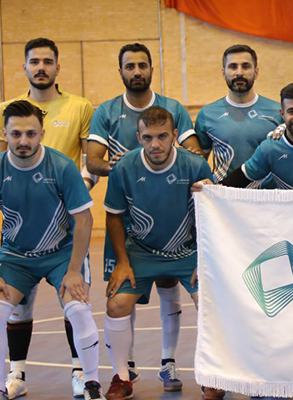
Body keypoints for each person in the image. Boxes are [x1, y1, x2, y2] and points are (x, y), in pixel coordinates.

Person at [86, 42, 201, 390]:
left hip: (178, 231)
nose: (136, 71)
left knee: (178, 291)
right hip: (135, 228)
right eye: (130, 66)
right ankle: (125, 371)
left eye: (142, 65)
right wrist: (122, 168)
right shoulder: (107, 113)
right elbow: (93, 161)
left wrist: (191, 167)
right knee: (121, 298)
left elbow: (193, 153)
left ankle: (174, 365)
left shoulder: (174, 109)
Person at [0, 100, 102, 400]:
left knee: (79, 309)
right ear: (5, 135)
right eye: (16, 134)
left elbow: (84, 220)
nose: (23, 141)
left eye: (30, 134)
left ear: (42, 134)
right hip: (17, 257)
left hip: (62, 254)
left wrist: (73, 271)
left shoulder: (62, 167)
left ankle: (92, 385)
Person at [0, 38, 95, 398]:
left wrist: (73, 191)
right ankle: (16, 375)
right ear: (25, 67)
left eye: (48, 61)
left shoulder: (80, 107)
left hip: (66, 226)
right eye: (34, 61)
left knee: (73, 299)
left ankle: (80, 374)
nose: (41, 67)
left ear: (57, 67)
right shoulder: (7, 110)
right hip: (21, 228)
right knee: (17, 305)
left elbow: (88, 163)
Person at [101, 106, 216, 400]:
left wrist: (205, 259)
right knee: (116, 305)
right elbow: (113, 216)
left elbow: (212, 214)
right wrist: (122, 262)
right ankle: (121, 377)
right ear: (138, 137)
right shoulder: (125, 168)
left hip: (186, 252)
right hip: (142, 252)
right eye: (148, 137)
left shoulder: (195, 165)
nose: (155, 144)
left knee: (211, 303)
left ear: (175, 135)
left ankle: (213, 374)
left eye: (162, 136)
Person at [194, 44, 282, 184]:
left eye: (246, 66)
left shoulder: (278, 112)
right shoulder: (207, 114)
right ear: (223, 73)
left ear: (256, 72)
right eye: (233, 67)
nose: (239, 72)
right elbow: (199, 164)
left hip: (267, 195)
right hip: (224, 194)